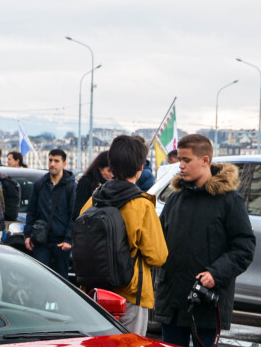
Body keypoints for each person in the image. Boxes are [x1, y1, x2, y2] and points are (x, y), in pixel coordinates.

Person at [154, 133, 255, 347]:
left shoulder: (229, 201)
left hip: (206, 303)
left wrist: (214, 274)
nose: (180, 166)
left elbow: (244, 248)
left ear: (205, 160)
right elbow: (159, 243)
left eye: (186, 160)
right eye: (179, 159)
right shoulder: (175, 199)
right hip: (172, 301)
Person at [78, 135, 167, 334]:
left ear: (112, 165)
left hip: (93, 293)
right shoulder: (141, 205)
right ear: (140, 168)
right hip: (129, 294)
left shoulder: (93, 201)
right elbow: (158, 255)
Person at [23, 148, 77, 276]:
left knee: (61, 280)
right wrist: (28, 235)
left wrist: (69, 240)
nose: (52, 164)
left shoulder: (71, 186)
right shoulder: (39, 184)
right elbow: (31, 211)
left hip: (61, 243)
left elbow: (73, 215)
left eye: (56, 161)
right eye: (50, 160)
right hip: (41, 240)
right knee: (40, 278)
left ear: (64, 164)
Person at [74, 150, 111, 217]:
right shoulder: (85, 182)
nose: (112, 174)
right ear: (100, 168)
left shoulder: (112, 184)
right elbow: (78, 211)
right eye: (109, 171)